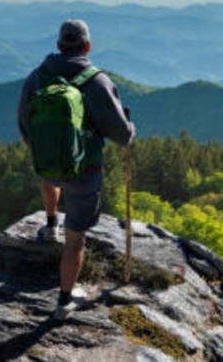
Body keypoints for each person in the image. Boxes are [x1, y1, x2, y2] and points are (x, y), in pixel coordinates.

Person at [17, 19, 135, 319]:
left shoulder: (37, 77)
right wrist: (130, 128)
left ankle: (50, 223)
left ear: (58, 44)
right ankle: (64, 302)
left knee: (49, 179)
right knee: (76, 240)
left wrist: (40, 149)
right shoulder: (97, 82)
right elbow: (121, 135)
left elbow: (24, 121)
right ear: (87, 46)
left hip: (48, 164)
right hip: (85, 169)